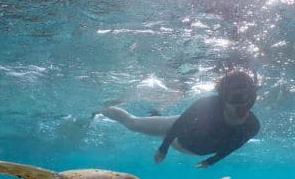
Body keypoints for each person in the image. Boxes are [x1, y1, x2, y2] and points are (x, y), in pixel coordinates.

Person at [98, 71, 260, 168]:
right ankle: (100, 108)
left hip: (192, 146)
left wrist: (212, 161)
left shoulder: (252, 126)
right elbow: (180, 124)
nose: (243, 103)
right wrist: (163, 148)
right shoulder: (208, 105)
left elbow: (233, 146)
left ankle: (156, 117)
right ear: (224, 97)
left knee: (150, 124)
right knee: (132, 123)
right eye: (235, 97)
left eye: (248, 97)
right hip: (175, 131)